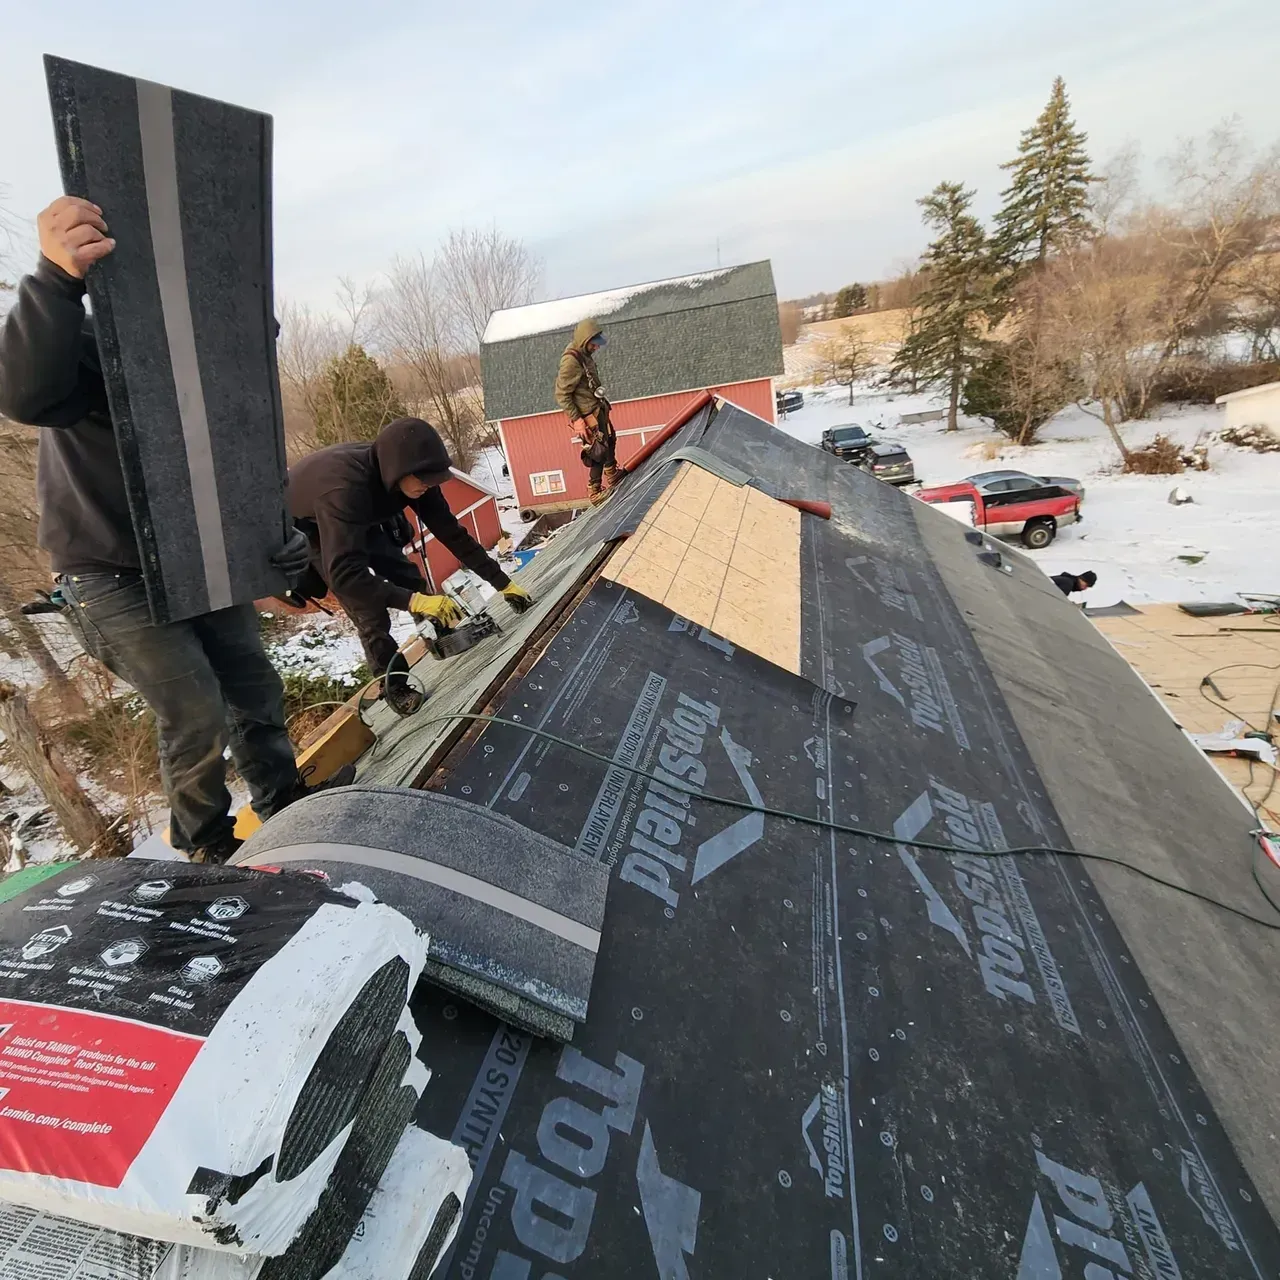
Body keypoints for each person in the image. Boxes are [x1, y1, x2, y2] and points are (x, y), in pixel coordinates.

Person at [0, 196, 335, 864]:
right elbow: (23, 393)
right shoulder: (109, 348)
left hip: (197, 557)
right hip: (108, 570)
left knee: (253, 685)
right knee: (195, 706)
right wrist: (57, 279)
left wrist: (282, 544)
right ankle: (206, 843)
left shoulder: (228, 387)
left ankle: (283, 801)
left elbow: (246, 475)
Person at [286, 417, 533, 710]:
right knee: (369, 611)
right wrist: (414, 602)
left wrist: (503, 583)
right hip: (313, 527)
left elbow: (453, 534)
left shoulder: (414, 477)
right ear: (400, 472)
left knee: (406, 574)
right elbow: (345, 577)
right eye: (425, 480)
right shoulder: (344, 491)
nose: (429, 486)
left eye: (434, 480)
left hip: (361, 514)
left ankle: (438, 633)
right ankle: (395, 687)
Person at [554, 318, 617, 504]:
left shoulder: (584, 355)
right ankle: (595, 491)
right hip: (588, 414)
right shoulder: (571, 361)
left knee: (611, 440)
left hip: (597, 407)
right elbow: (562, 394)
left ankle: (612, 474)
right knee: (598, 451)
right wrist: (577, 419)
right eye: (594, 344)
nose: (596, 348)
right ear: (584, 340)